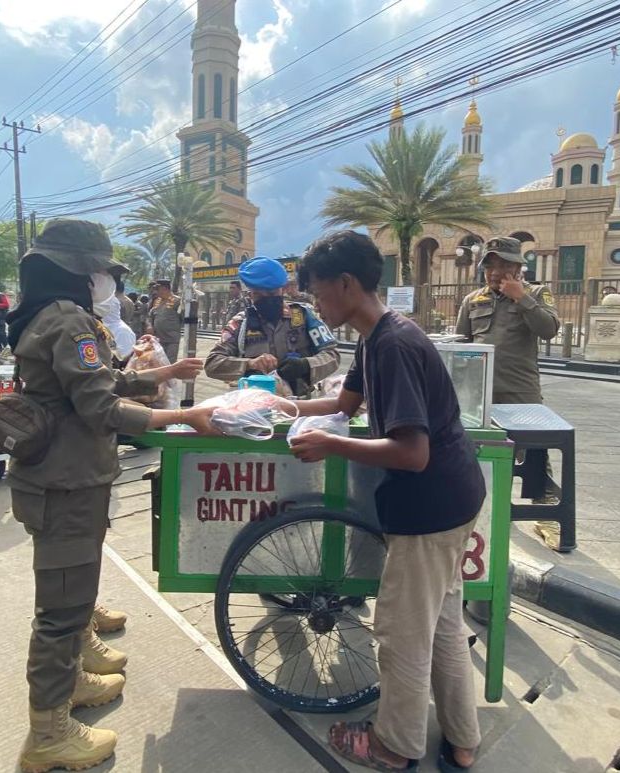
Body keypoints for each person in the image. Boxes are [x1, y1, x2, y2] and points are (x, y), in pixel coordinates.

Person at [2, 219, 214, 772]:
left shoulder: (51, 314)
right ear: (79, 270)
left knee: (70, 599)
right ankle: (48, 736)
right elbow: (101, 409)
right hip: (65, 483)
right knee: (61, 612)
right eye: (102, 270)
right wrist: (184, 415)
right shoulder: (68, 319)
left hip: (60, 478)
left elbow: (93, 385)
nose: (107, 281)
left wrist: (159, 375)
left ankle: (70, 682)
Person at [287, 230, 485, 772]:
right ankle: (463, 740)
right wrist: (280, 408)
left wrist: (330, 444)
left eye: (319, 292)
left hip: (430, 505)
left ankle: (393, 747)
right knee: (443, 620)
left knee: (400, 633)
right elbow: (343, 400)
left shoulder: (394, 344)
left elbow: (411, 452)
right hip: (451, 498)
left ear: (347, 283)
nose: (317, 305)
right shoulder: (373, 338)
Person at [455, 237, 562, 548]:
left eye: (503, 264)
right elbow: (460, 343)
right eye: (491, 264)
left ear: (518, 266)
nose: (496, 271)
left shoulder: (537, 294)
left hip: (520, 391)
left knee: (535, 457)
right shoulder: (473, 300)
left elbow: (549, 329)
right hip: (479, 394)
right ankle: (481, 509)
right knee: (476, 453)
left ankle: (546, 518)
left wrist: (521, 298)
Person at [205, 256, 341, 397]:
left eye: (272, 293)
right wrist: (249, 364)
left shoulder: (303, 316)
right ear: (250, 294)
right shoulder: (240, 323)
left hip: (300, 404)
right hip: (254, 405)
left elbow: (332, 355)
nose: (267, 299)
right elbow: (212, 363)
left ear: (282, 290)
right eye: (259, 295)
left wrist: (305, 365)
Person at [145, 278, 182, 363]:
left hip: (171, 339)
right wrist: (149, 325)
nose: (156, 292)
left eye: (158, 289)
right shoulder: (156, 302)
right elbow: (149, 316)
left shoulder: (177, 301)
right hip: (158, 339)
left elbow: (183, 317)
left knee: (169, 363)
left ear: (165, 289)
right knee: (159, 362)